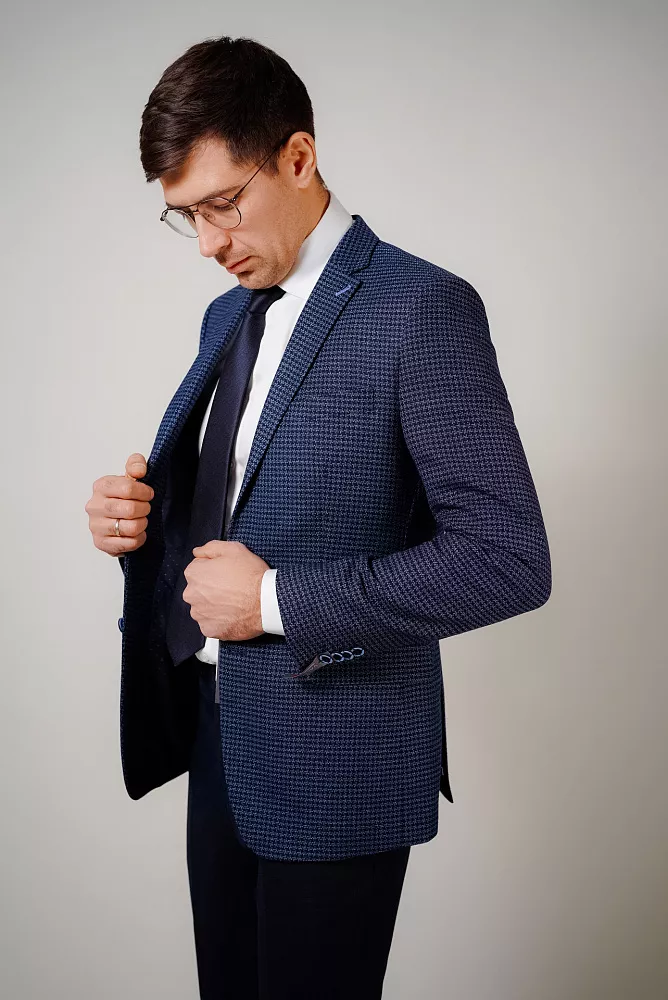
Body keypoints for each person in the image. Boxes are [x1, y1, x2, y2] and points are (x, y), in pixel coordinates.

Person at [85, 34, 551, 1000]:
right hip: (220, 736)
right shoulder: (228, 315)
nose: (209, 243)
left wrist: (273, 602)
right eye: (185, 216)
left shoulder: (421, 309)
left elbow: (506, 557)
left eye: (223, 203)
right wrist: (141, 524)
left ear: (298, 157)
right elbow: (248, 501)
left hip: (341, 760)